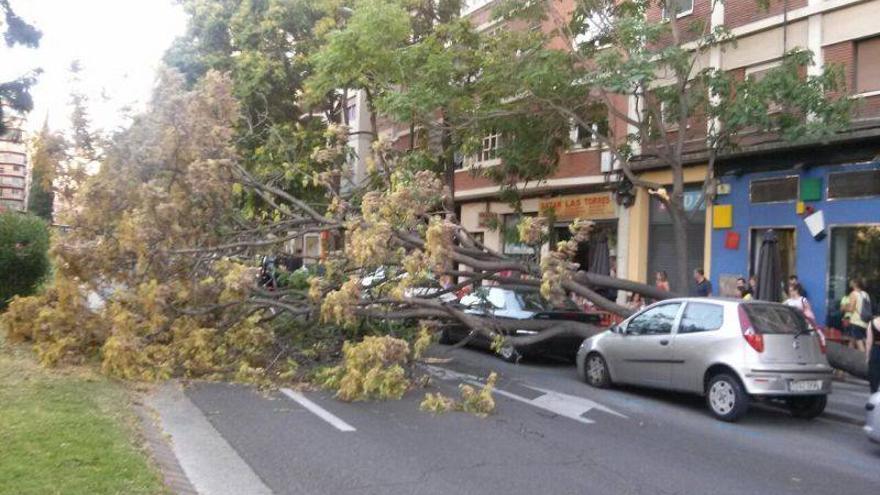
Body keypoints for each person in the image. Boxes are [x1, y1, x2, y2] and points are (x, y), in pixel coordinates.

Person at [844, 279, 869, 352]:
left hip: (856, 322)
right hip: (864, 321)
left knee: (859, 343)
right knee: (852, 341)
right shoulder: (865, 294)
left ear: (855, 284)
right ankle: (848, 357)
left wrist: (844, 307)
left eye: (852, 282)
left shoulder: (853, 294)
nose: (850, 283)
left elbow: (851, 309)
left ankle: (865, 361)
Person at [866, 315, 880, 394]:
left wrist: (868, 356)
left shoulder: (872, 323)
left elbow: (869, 342)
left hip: (876, 351)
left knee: (874, 376)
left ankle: (874, 395)